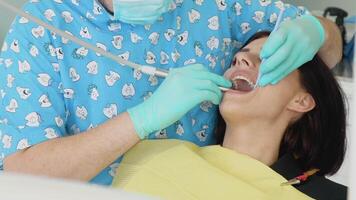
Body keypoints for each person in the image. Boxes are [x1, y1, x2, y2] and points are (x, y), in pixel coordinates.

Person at [0, 0, 342, 185]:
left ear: (303, 102)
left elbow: (327, 48)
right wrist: (142, 119)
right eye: (244, 51)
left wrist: (317, 29)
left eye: (260, 54)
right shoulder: (45, 24)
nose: (240, 56)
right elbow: (22, 175)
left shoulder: (219, 6)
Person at [112, 32, 347, 200]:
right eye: (238, 56)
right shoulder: (154, 157)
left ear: (302, 101)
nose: (239, 59)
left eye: (268, 58)